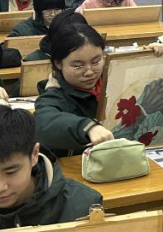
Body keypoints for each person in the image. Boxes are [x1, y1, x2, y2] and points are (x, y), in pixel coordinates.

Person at [34, 23, 115, 157]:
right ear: (58, 63)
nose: (89, 72)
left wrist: (151, 56)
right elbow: (42, 122)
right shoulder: (54, 96)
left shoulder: (114, 78)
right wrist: (88, 127)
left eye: (96, 62)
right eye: (78, 66)